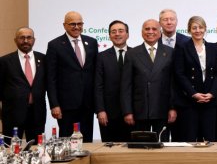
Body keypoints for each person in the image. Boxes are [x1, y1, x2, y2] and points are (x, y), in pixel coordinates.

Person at [120, 19, 177, 141]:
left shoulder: (170, 52)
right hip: (139, 111)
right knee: (140, 149)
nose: (150, 32)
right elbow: (126, 85)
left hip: (163, 110)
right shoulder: (131, 54)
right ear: (141, 32)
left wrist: (173, 108)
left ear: (160, 32)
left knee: (163, 148)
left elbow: (173, 84)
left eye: (154, 29)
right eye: (147, 29)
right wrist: (127, 111)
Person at [46, 11, 98, 141]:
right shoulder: (55, 45)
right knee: (67, 141)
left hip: (87, 104)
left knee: (87, 141)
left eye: (79, 24)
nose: (76, 27)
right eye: (72, 24)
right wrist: (54, 104)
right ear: (64, 25)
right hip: (66, 106)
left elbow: (95, 73)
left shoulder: (91, 42)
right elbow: (50, 78)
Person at [173, 16, 217, 142]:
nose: (198, 30)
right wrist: (193, 93)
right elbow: (179, 74)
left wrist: (212, 93)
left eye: (200, 27)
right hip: (189, 101)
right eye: (194, 28)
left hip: (209, 100)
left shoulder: (212, 47)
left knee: (210, 138)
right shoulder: (182, 47)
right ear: (189, 30)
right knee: (190, 138)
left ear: (205, 29)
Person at [0, 27, 46, 143]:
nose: (26, 41)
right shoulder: (4, 61)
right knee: (11, 150)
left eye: (29, 37)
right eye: (22, 37)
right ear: (15, 40)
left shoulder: (44, 59)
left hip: (37, 113)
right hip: (12, 115)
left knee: (37, 149)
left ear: (34, 40)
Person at [94, 20, 130, 142]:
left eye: (121, 31)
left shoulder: (137, 54)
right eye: (113, 32)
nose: (117, 34)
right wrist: (100, 110)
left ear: (127, 34)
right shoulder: (101, 57)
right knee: (109, 149)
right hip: (108, 114)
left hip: (132, 114)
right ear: (109, 36)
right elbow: (98, 86)